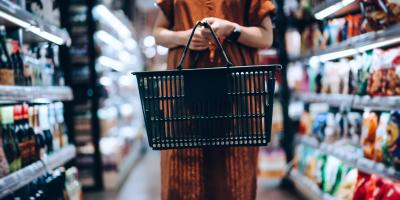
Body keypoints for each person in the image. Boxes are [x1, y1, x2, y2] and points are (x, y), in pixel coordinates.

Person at [153, 0, 275, 199]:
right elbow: (158, 33)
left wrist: (232, 29)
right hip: (183, 99)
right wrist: (184, 37)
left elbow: (266, 37)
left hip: (237, 96)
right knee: (181, 172)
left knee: (234, 175)